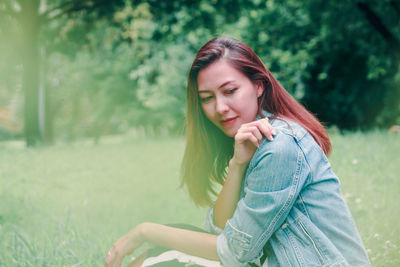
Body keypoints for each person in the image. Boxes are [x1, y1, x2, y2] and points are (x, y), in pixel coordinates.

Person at [104, 37, 371, 267]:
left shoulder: (280, 146)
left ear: (258, 85)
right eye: (207, 98)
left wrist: (146, 231)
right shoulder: (252, 142)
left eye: (230, 91)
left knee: (165, 254)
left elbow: (233, 250)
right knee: (166, 252)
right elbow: (220, 228)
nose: (220, 107)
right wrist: (237, 164)